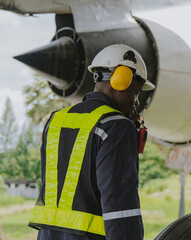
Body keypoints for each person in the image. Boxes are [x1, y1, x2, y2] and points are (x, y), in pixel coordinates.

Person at [28, 44, 155, 240]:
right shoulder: (117, 127)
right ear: (121, 81)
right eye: (136, 92)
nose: (136, 102)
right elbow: (120, 206)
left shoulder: (56, 120)